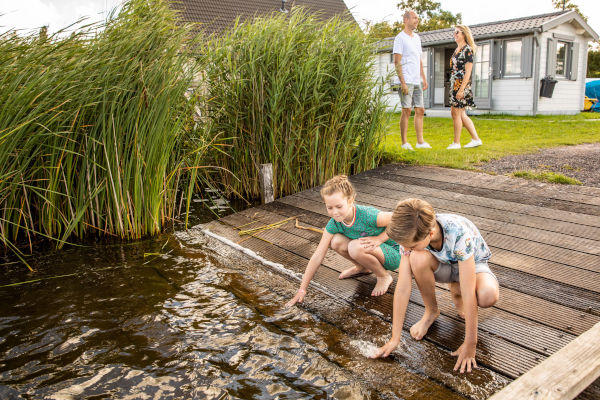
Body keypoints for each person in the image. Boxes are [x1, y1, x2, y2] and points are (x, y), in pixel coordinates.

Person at [370, 198, 499, 373]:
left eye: (412, 245)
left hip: (472, 265)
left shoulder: (458, 233)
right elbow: (402, 287)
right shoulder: (410, 239)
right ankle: (431, 311)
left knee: (487, 295)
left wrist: (470, 343)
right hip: (442, 264)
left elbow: (470, 292)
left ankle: (456, 288)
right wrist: (395, 338)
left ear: (430, 234)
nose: (407, 249)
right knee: (417, 257)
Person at [286, 175, 400, 306]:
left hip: (393, 255)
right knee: (336, 241)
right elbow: (318, 255)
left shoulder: (368, 215)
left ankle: (383, 276)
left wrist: (380, 238)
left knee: (354, 247)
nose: (335, 212)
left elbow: (400, 219)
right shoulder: (333, 224)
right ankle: (362, 267)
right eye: (330, 208)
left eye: (339, 206)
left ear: (351, 200)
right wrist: (302, 289)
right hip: (369, 251)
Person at [393, 10, 430, 151]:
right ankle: (404, 143)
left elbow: (418, 60)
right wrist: (402, 82)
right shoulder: (399, 38)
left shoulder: (417, 38)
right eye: (414, 18)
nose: (417, 20)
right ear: (406, 20)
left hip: (416, 80)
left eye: (417, 18)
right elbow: (397, 61)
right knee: (406, 110)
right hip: (406, 80)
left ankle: (420, 142)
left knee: (420, 110)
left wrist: (423, 78)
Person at [447, 25, 482, 150]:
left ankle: (456, 143)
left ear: (464, 34)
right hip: (454, 84)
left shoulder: (467, 49)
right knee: (458, 113)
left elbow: (468, 72)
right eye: (454, 32)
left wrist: (461, 89)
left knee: (457, 113)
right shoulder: (457, 49)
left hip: (462, 85)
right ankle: (476, 139)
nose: (455, 34)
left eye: (457, 32)